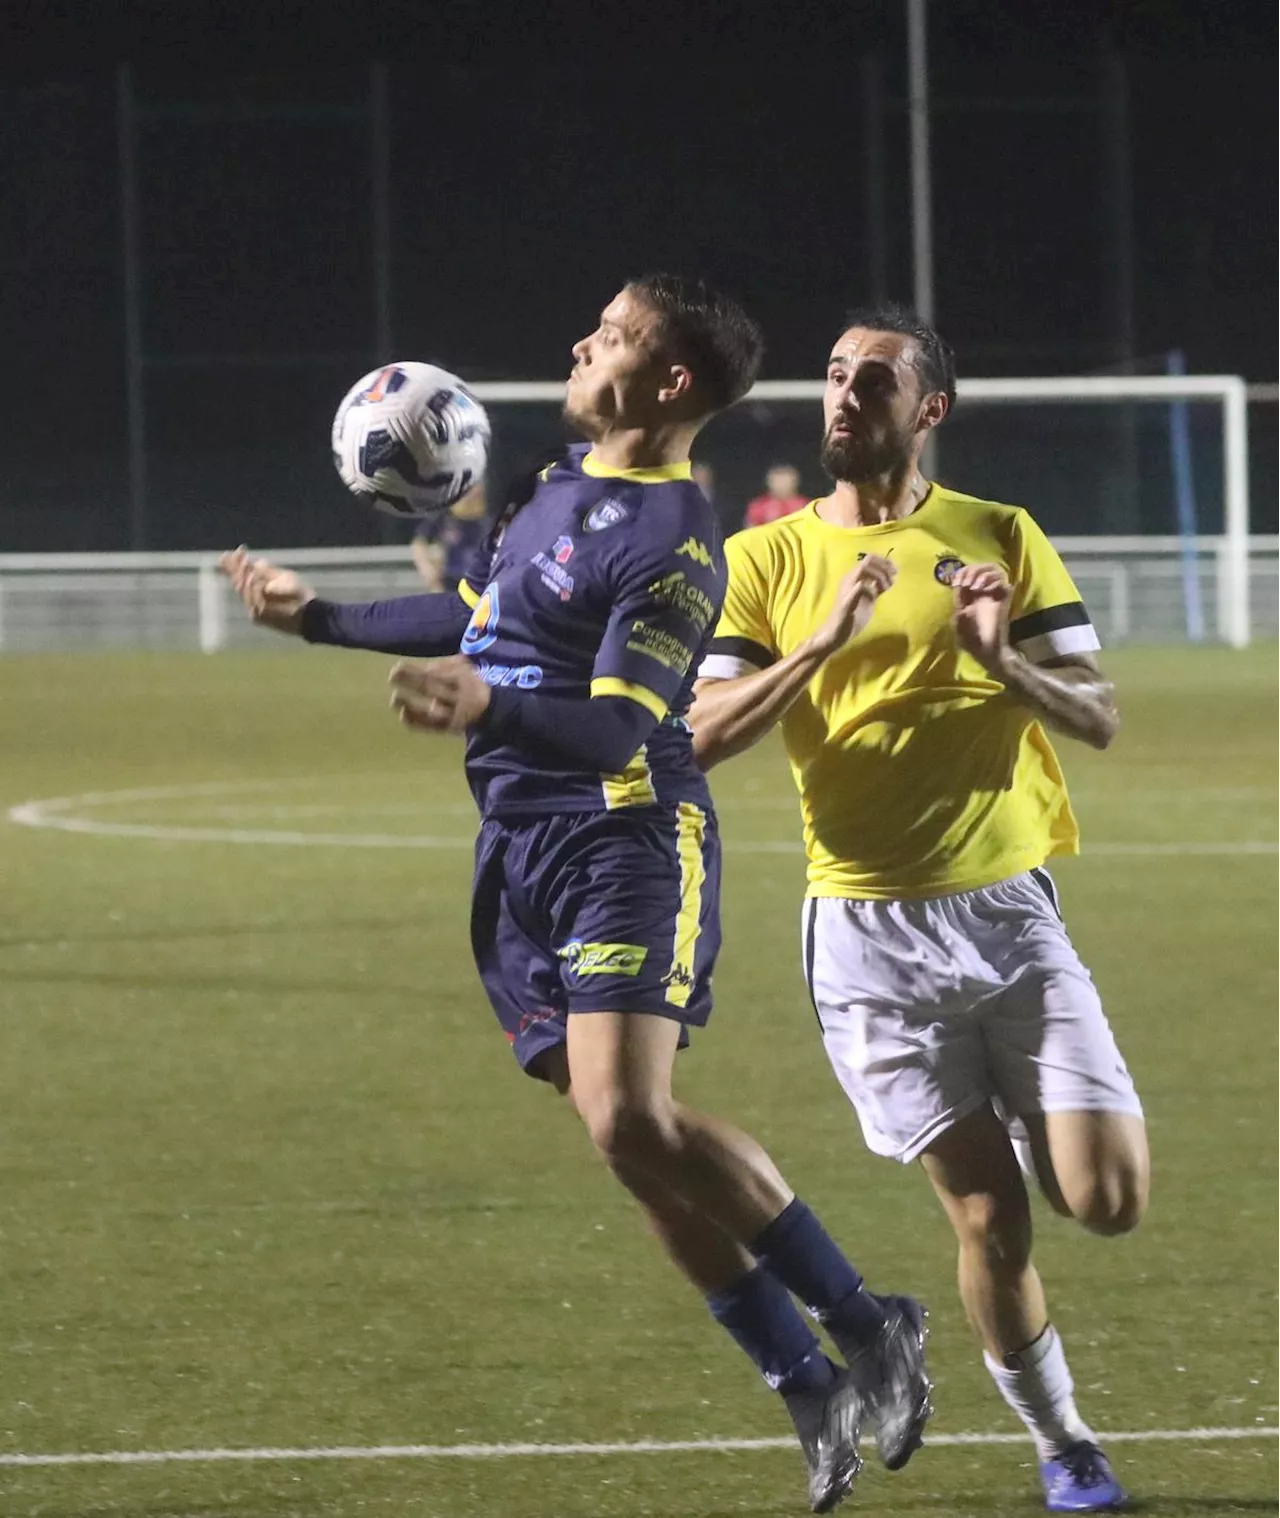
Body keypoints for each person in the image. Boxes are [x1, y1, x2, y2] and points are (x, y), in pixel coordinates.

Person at [219, 275, 931, 1514]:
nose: (576, 344)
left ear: (666, 384)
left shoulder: (674, 544)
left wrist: (484, 702)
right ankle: (800, 1380)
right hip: (517, 858)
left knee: (629, 1121)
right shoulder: (555, 485)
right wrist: (321, 619)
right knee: (632, 1153)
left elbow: (614, 736)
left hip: (625, 842)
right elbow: (483, 612)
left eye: (606, 337)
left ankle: (867, 1324)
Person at [689, 304, 1148, 1515]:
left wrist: (1001, 662)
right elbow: (698, 732)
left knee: (1104, 1199)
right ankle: (1063, 1445)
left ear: (927, 408)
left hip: (1005, 914)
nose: (844, 395)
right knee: (988, 1217)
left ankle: (1052, 1372)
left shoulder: (998, 536)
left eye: (873, 379)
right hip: (864, 936)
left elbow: (1097, 715)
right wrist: (818, 644)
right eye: (835, 376)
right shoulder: (765, 562)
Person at [411, 482, 489, 592]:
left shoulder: (487, 521)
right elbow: (419, 543)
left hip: (480, 582)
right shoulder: (443, 517)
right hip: (451, 580)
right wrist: (427, 569)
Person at [744, 463, 807, 527]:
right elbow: (750, 529)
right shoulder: (759, 505)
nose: (781, 485)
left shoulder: (805, 505)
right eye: (778, 481)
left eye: (784, 481)